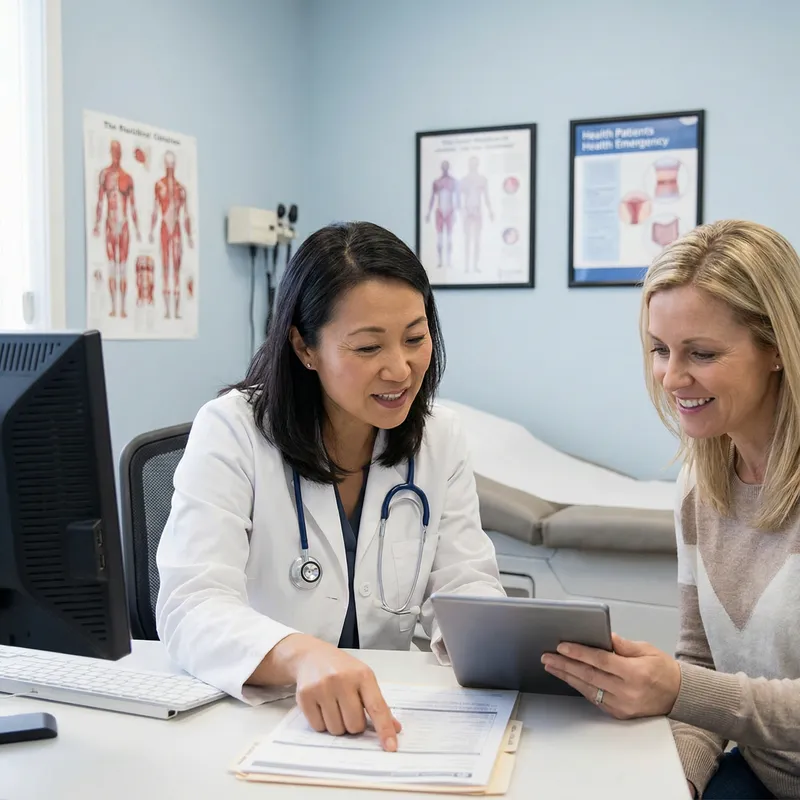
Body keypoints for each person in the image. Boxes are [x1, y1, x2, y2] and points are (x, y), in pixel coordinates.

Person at [155, 220, 505, 751]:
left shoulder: (440, 437)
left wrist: (506, 644)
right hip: (256, 723)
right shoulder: (232, 431)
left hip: (388, 723)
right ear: (304, 347)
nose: (400, 368)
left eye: (416, 337)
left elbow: (464, 584)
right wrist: (302, 655)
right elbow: (190, 604)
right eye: (368, 348)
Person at [539, 219, 800, 799]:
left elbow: (693, 685)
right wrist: (673, 782)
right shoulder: (698, 483)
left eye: (701, 353)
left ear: (778, 349)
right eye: (659, 349)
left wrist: (677, 688)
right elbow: (700, 662)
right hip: (764, 775)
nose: (671, 377)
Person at [93, 140, 141, 318]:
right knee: (112, 266)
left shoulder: (127, 178)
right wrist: (97, 224)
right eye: (114, 150)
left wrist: (137, 229)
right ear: (110, 152)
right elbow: (100, 202)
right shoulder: (104, 175)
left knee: (123, 267)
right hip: (110, 223)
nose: (116, 154)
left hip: (125, 225)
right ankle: (114, 307)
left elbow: (133, 206)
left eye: (119, 151)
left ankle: (123, 308)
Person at [148, 151, 193, 320]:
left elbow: (186, 214)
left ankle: (176, 311)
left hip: (177, 231)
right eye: (168, 165)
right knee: (166, 269)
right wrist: (150, 231)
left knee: (176, 270)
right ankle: (167, 311)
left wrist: (189, 236)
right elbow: (154, 211)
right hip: (164, 229)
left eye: (172, 165)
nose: (170, 168)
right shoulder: (159, 186)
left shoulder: (181, 189)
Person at [459, 156, 494, 273]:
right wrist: (462, 212)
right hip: (467, 212)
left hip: (478, 212)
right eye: (471, 163)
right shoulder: (464, 180)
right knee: (467, 239)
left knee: (477, 240)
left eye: (475, 163)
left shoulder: (482, 180)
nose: (473, 165)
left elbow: (486, 197)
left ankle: (475, 265)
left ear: (477, 164)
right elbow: (459, 199)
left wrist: (490, 211)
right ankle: (467, 266)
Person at [424, 160, 458, 268]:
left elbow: (456, 198)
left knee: (449, 237)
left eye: (446, 166)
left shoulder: (453, 181)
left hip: (450, 211)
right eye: (443, 166)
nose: (445, 168)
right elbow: (433, 198)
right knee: (439, 237)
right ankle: (440, 261)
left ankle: (449, 261)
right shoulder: (437, 182)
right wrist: (428, 213)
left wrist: (457, 213)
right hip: (439, 211)